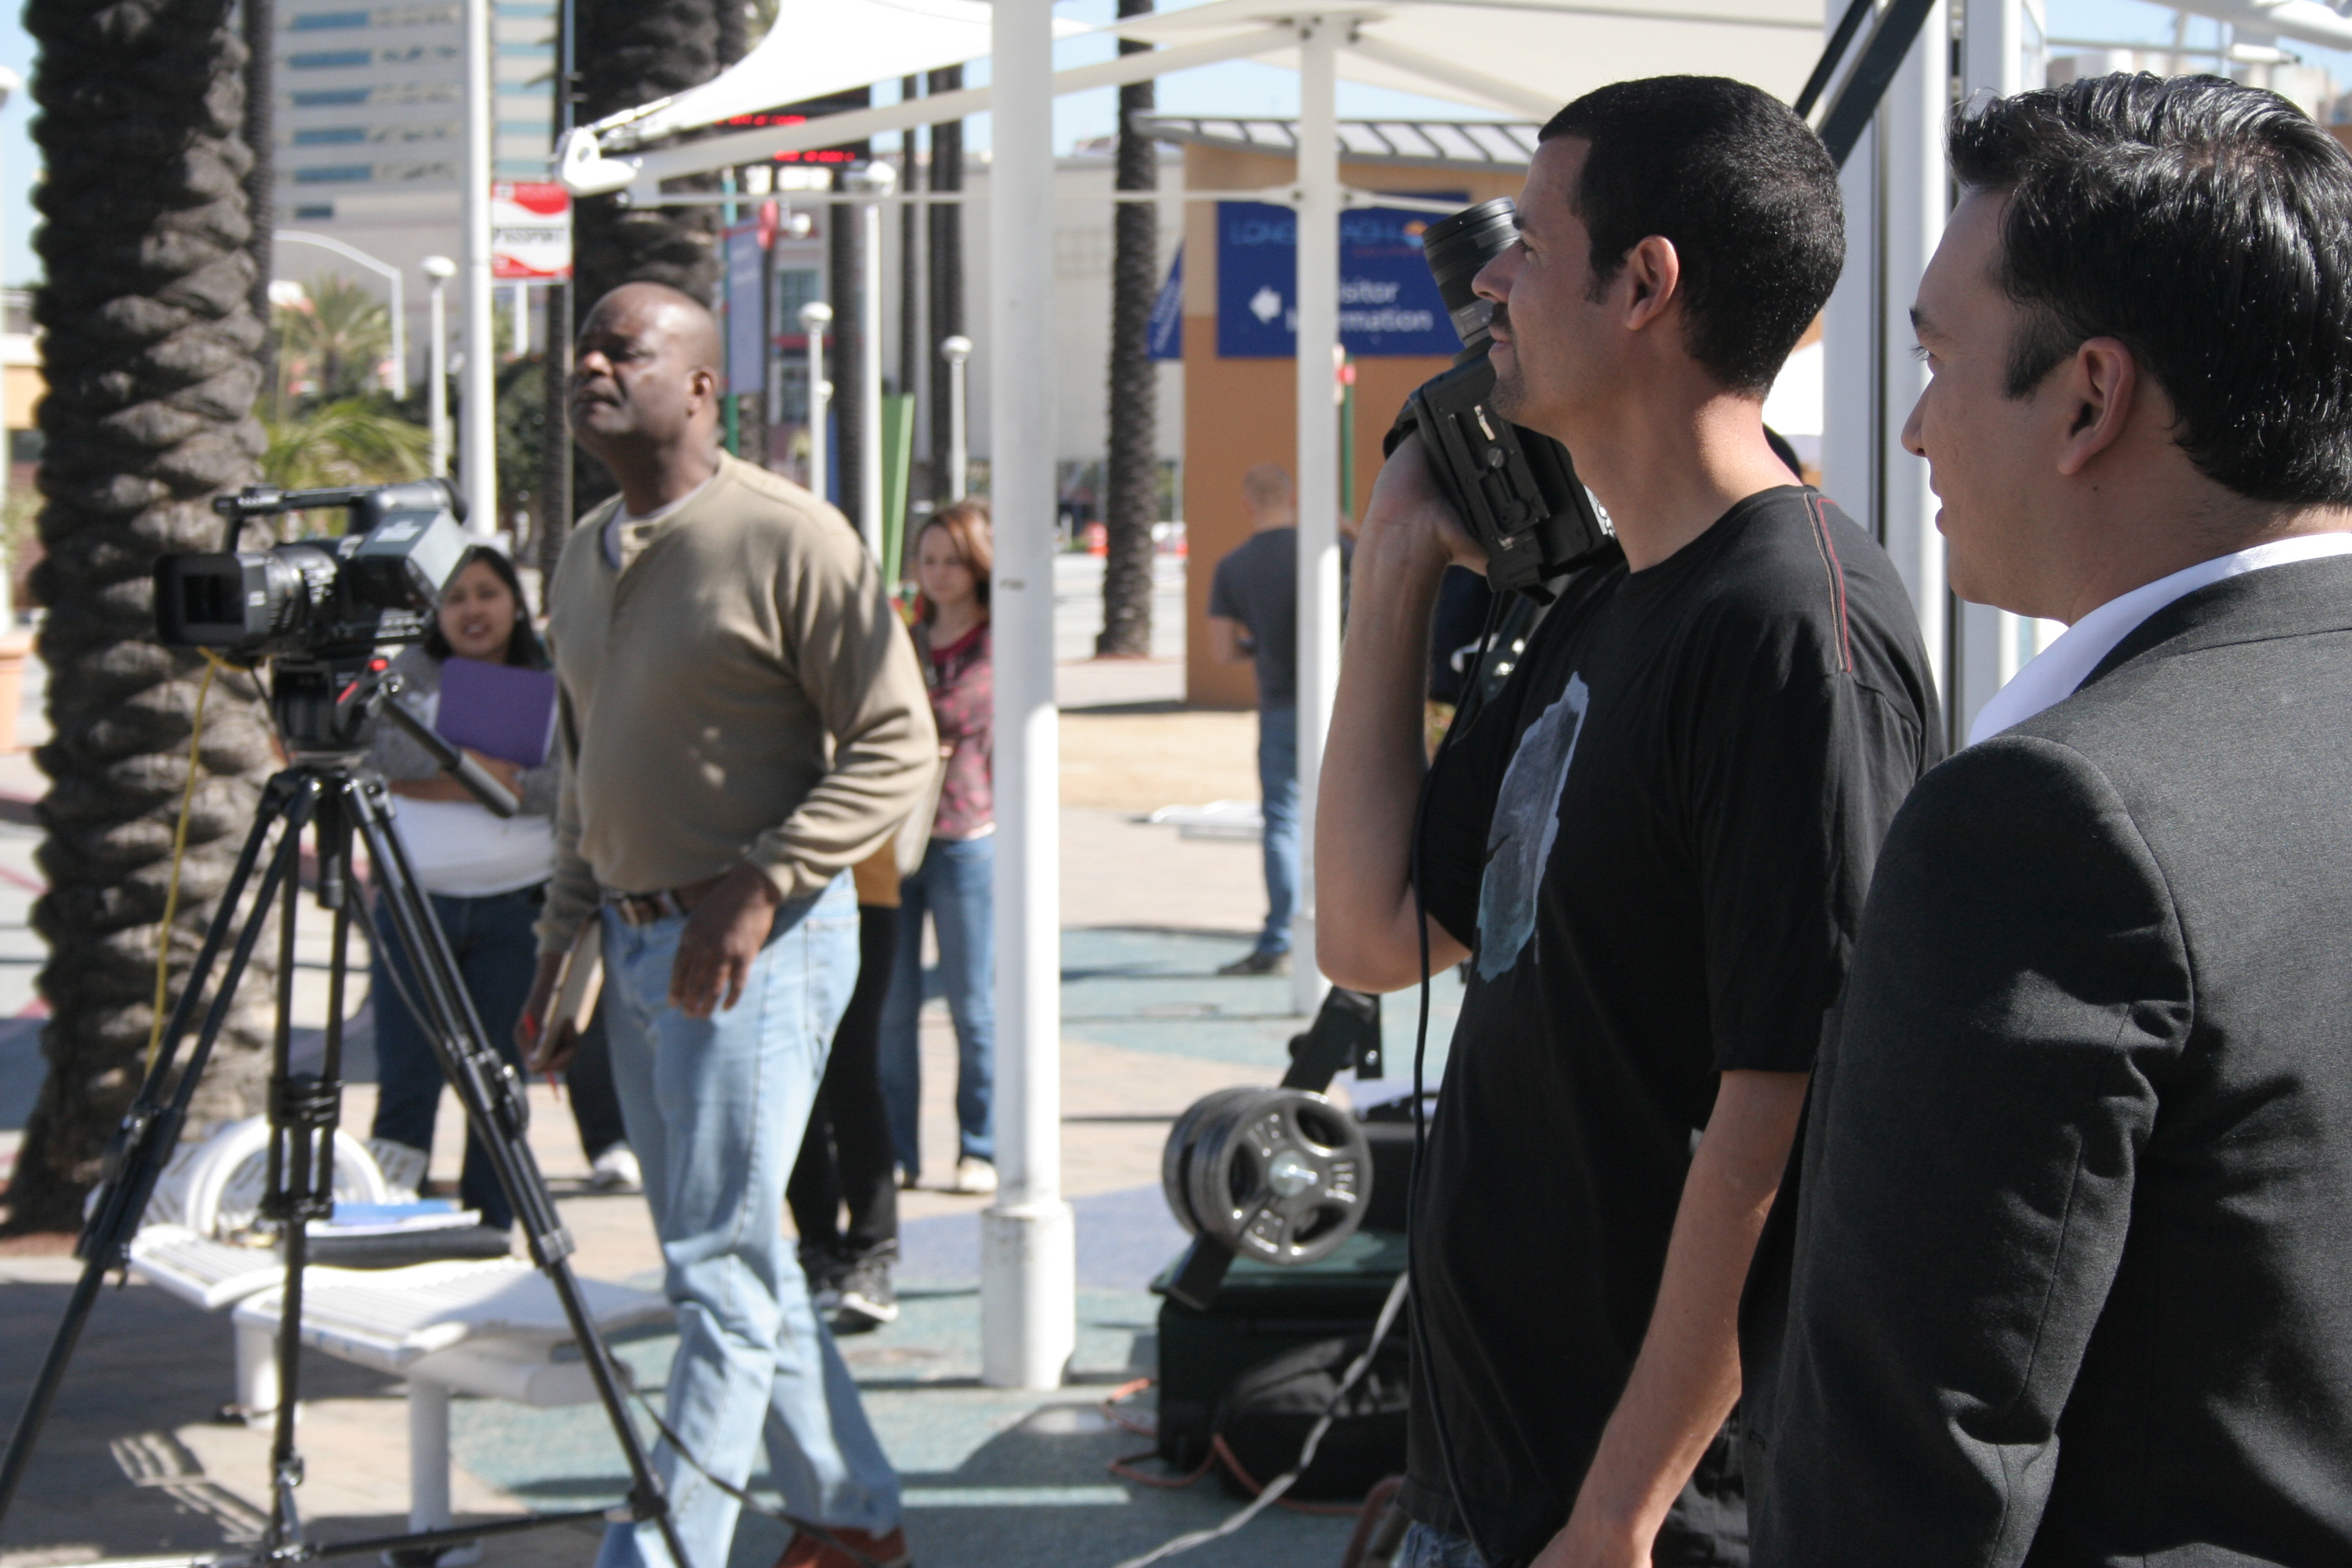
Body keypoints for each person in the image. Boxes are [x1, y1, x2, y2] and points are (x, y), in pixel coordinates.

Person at [1317, 77, 1944, 1568]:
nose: (1490, 282)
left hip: (1643, 1524)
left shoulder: (1797, 632)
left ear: (1646, 283)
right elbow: (1373, 934)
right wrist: (1400, 561)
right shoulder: (1600, 602)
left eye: (1528, 243)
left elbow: (1787, 1115)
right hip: (1491, 1484)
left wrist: (1620, 1511)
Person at [1744, 75, 2352, 1566]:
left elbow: (1914, 1453)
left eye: (1940, 362)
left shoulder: (2055, 818)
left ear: (2089, 398)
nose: (1911, 431)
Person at [522, 281, 934, 1568]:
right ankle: (855, 1514)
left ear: (701, 384)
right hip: (635, 943)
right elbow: (584, 776)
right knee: (736, 1251)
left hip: (764, 937)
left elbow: (895, 742)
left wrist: (758, 884)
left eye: (623, 348)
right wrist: (559, 946)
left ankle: (660, 1552)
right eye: (582, 345)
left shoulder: (789, 533)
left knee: (713, 1265)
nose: (590, 363)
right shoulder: (584, 549)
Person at [365, 544, 638, 1229]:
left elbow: (554, 788)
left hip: (518, 910)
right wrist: (475, 774)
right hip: (414, 910)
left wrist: (453, 777)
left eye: (486, 593)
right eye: (455, 598)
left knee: (498, 1077)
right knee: (406, 1078)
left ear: (515, 603)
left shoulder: (552, 682)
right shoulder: (407, 679)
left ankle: (491, 1225)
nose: (471, 610)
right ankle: (392, 1220)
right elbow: (373, 755)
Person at [877, 504, 996, 1196]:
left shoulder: (1001, 641)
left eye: (952, 559)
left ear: (977, 564)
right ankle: (898, 1149)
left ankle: (978, 1145)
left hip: (967, 838)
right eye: (928, 560)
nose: (940, 573)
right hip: (894, 839)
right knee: (893, 1010)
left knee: (972, 1008)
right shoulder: (900, 639)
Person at [789, 846, 906, 1332]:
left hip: (863, 890)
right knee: (790, 1080)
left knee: (853, 1072)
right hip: (772, 895)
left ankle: (870, 1253)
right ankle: (816, 1248)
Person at [1206, 463, 1307, 977]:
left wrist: (1261, 647)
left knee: (1282, 822)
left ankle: (1280, 936)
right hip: (1335, 702)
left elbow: (1223, 651)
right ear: (1293, 498)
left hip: (1279, 703)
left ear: (1248, 504)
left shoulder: (1234, 566)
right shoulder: (1329, 552)